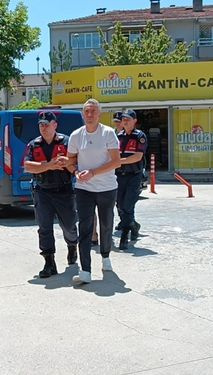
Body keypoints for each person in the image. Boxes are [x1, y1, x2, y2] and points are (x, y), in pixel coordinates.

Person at [67, 99, 121, 284]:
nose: (89, 115)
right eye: (87, 111)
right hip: (84, 189)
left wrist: (93, 173)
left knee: (106, 225)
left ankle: (105, 256)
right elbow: (70, 161)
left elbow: (116, 162)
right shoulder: (76, 135)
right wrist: (75, 172)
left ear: (99, 114)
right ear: (83, 114)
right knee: (85, 227)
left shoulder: (108, 133)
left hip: (107, 187)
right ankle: (86, 271)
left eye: (93, 111)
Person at [24, 111, 78, 278]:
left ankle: (72, 246)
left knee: (69, 225)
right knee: (44, 228)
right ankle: (49, 262)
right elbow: (27, 165)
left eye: (47, 124)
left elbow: (75, 161)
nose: (43, 127)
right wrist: (49, 165)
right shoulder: (34, 144)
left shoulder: (67, 141)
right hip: (42, 191)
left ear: (55, 125)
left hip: (64, 190)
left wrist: (67, 163)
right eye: (41, 124)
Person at [115, 109, 147, 250]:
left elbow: (137, 157)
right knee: (120, 205)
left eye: (128, 119)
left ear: (134, 121)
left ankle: (125, 236)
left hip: (134, 176)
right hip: (119, 175)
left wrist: (119, 161)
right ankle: (134, 226)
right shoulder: (119, 136)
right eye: (123, 119)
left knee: (128, 204)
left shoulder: (139, 136)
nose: (125, 121)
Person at [92, 111, 123, 246]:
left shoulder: (110, 134)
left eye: (119, 121)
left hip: (118, 174)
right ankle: (94, 235)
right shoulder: (112, 134)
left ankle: (127, 226)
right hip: (105, 174)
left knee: (122, 206)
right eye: (115, 121)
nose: (117, 124)